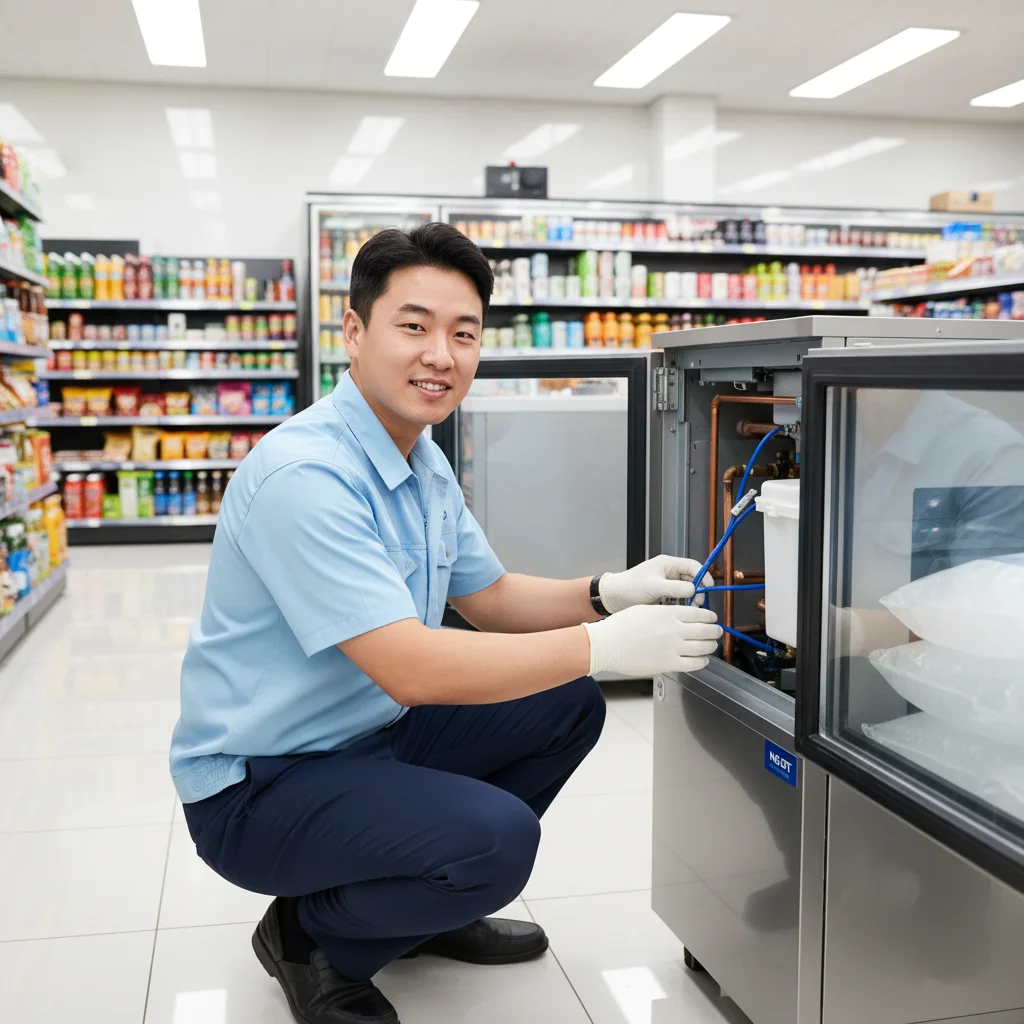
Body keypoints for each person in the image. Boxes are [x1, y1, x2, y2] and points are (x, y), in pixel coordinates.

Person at [169, 222, 721, 1024]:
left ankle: (417, 904)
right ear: (354, 332)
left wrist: (608, 592)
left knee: (566, 705)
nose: (440, 355)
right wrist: (600, 647)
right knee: (496, 841)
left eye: (463, 334)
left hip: (367, 733)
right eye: (414, 326)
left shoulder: (418, 457)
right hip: (260, 781)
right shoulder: (307, 474)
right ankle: (312, 937)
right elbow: (412, 668)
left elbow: (489, 598)